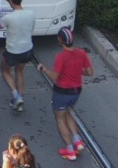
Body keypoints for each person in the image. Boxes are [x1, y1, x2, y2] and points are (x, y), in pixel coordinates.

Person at [36, 27, 92, 160]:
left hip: (62, 92)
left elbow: (55, 77)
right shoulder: (81, 53)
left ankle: (70, 150)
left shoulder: (61, 57)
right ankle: (77, 140)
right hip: (76, 92)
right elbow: (89, 72)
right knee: (68, 112)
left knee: (60, 119)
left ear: (61, 41)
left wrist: (43, 69)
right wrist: (78, 69)